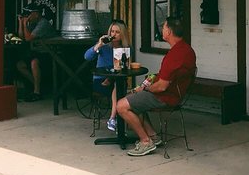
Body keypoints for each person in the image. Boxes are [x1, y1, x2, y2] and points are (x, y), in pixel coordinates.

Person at [116, 16, 196, 157]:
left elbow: (162, 87)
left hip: (166, 97)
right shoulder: (186, 49)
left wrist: (145, 88)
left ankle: (145, 141)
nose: (162, 29)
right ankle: (153, 135)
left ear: (169, 31)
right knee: (134, 99)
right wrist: (150, 81)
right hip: (175, 93)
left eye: (164, 27)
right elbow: (166, 77)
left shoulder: (175, 55)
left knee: (121, 105)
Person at [84, 19, 127, 132]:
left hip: (115, 80)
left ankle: (113, 118)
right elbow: (87, 57)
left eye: (117, 32)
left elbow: (125, 68)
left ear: (122, 34)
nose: (114, 34)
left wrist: (111, 77)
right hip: (100, 80)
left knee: (118, 84)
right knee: (118, 87)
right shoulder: (104, 47)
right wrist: (99, 44)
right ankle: (114, 118)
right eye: (112, 31)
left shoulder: (125, 48)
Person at [15, 5, 57, 101]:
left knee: (34, 62)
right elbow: (21, 37)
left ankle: (37, 92)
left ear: (36, 14)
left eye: (29, 14)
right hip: (37, 51)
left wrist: (25, 24)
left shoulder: (43, 24)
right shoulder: (33, 23)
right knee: (20, 65)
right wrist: (21, 23)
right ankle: (39, 85)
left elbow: (28, 38)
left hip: (48, 52)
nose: (27, 16)